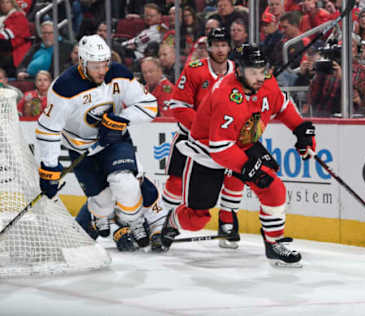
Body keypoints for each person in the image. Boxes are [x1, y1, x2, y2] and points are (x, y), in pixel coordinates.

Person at [154, 44, 316, 267]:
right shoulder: (226, 96)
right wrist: (247, 167)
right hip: (207, 151)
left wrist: (300, 129)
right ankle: (171, 221)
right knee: (196, 219)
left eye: (263, 70)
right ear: (239, 70)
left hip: (243, 143)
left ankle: (274, 243)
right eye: (253, 72)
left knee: (272, 186)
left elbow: (283, 104)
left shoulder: (266, 81)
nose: (260, 77)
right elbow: (220, 148)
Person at [35, 34, 158, 249]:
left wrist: (121, 120)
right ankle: (98, 214)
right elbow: (48, 128)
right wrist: (49, 166)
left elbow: (149, 105)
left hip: (114, 142)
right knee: (101, 202)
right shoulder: (64, 87)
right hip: (80, 148)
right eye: (95, 66)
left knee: (125, 183)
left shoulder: (118, 74)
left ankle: (136, 221)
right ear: (82, 62)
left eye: (105, 64)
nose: (102, 71)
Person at [160, 28, 241, 250]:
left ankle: (227, 221)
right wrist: (204, 129)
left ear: (229, 47)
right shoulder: (195, 70)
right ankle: (164, 223)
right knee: (176, 184)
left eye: (224, 45)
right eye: (216, 45)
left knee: (234, 178)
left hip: (226, 141)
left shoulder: (240, 72)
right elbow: (178, 106)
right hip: (191, 140)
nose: (220, 49)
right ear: (209, 47)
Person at [0, 0, 32, 78]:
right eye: (2, 2)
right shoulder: (4, 17)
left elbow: (8, 34)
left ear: (13, 3)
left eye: (7, 2)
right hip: (7, 49)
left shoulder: (18, 16)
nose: (4, 5)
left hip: (16, 50)